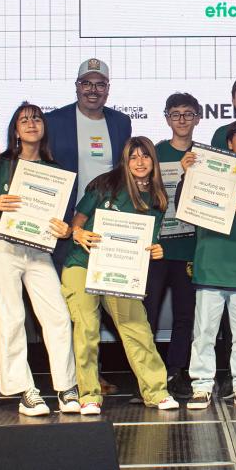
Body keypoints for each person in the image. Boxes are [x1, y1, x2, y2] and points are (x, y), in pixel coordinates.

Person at [61, 137, 179, 415]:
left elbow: (147, 244)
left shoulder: (159, 198)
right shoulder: (106, 185)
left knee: (137, 327)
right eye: (133, 157)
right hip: (82, 264)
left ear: (153, 160)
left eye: (145, 156)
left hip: (120, 271)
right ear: (125, 162)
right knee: (87, 329)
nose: (140, 162)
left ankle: (157, 391)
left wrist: (157, 250)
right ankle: (89, 395)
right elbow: (74, 225)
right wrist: (79, 233)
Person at [0, 103, 80, 416]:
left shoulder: (57, 171)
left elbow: (63, 222)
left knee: (58, 316)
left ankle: (66, 387)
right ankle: (26, 390)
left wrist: (66, 230)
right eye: (24, 119)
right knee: (12, 318)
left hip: (39, 249)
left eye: (36, 118)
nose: (31, 123)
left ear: (43, 127)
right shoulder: (1, 164)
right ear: (15, 129)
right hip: (4, 246)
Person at [185, 119, 236, 410]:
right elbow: (184, 203)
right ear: (228, 142)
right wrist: (188, 173)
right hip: (211, 260)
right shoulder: (205, 167)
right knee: (204, 331)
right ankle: (202, 384)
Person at [45, 57, 132, 263]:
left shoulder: (121, 122)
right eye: (87, 83)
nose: (93, 90)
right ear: (77, 86)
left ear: (108, 89)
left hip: (109, 220)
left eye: (100, 84)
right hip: (65, 221)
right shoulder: (54, 121)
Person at [148, 93, 200, 397]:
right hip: (156, 246)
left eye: (188, 114)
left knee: (185, 315)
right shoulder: (154, 152)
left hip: (189, 245)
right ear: (167, 118)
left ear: (197, 118)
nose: (182, 120)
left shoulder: (206, 154)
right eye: (176, 114)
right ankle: (149, 372)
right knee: (149, 311)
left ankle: (175, 371)